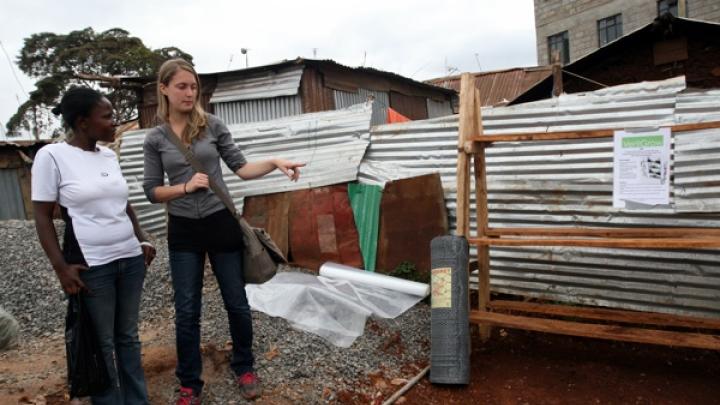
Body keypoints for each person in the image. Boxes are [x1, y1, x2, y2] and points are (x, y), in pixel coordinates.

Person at [142, 58, 304, 404]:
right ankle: (189, 382)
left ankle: (244, 366)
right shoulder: (155, 138)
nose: (189, 92)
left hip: (220, 222)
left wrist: (274, 162)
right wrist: (184, 188)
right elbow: (151, 191)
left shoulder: (212, 125)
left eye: (193, 86)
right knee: (187, 310)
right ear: (164, 89)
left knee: (236, 303)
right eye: (182, 86)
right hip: (183, 229)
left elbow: (242, 169)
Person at [32, 87, 156, 404]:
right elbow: (43, 216)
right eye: (107, 116)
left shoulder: (108, 155)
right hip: (92, 266)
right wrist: (61, 268)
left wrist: (141, 237)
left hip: (129, 260)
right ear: (83, 122)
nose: (114, 122)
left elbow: (123, 203)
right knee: (101, 345)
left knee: (127, 338)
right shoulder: (52, 156)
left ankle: (137, 401)